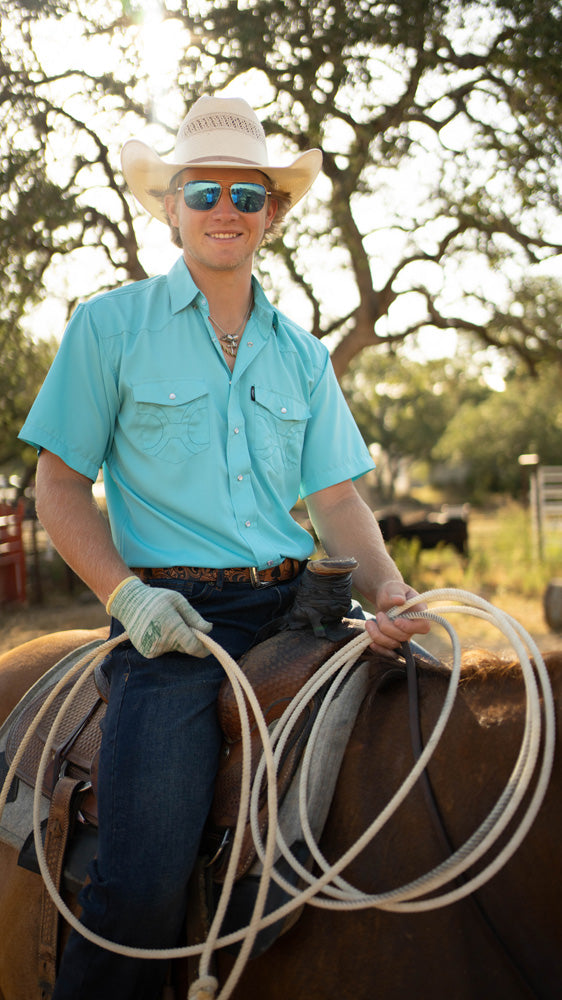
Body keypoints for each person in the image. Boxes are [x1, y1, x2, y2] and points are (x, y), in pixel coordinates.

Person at [19, 95, 430, 1000]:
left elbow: (335, 499)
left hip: (301, 608)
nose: (225, 209)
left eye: (248, 194)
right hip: (175, 629)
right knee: (142, 879)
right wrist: (127, 599)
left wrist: (394, 595)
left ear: (273, 214)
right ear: (170, 207)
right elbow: (59, 485)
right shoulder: (108, 328)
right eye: (201, 191)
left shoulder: (303, 356)